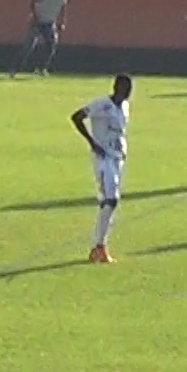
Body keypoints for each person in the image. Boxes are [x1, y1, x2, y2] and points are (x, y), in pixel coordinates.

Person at [69, 74, 133, 265]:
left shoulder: (125, 107)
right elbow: (77, 117)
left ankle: (100, 247)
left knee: (110, 202)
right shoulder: (102, 105)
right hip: (103, 158)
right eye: (125, 87)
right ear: (116, 87)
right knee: (110, 200)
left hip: (117, 159)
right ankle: (99, 247)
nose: (128, 91)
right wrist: (92, 142)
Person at [11, 0, 69, 77]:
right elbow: (33, 2)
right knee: (28, 46)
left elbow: (63, 7)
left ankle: (41, 68)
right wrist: (35, 17)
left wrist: (62, 21)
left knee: (52, 44)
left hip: (50, 22)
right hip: (38, 21)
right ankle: (15, 69)